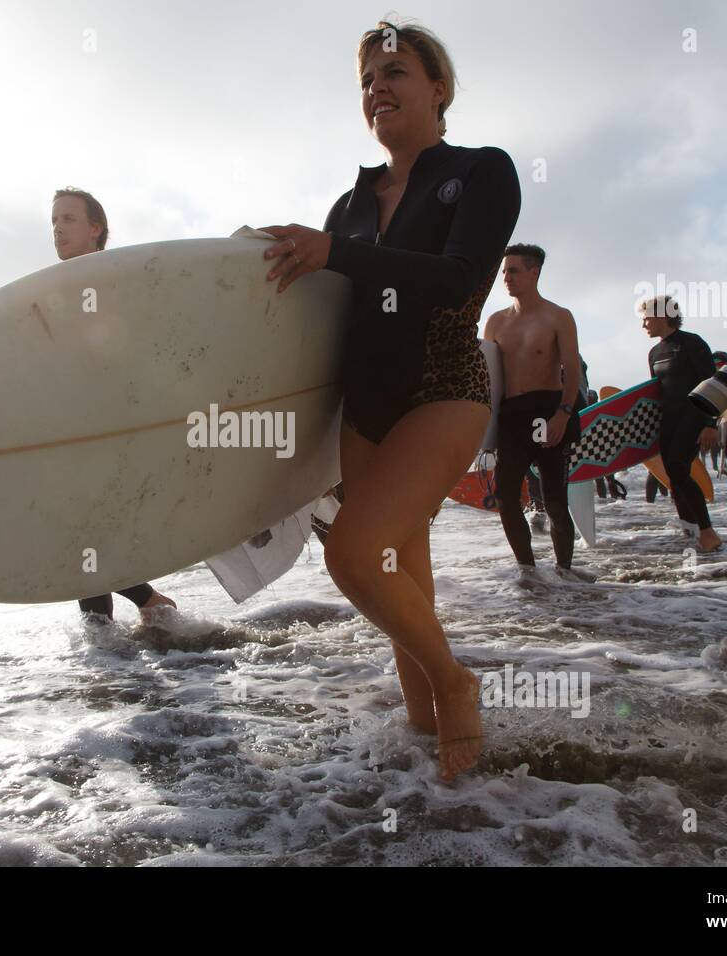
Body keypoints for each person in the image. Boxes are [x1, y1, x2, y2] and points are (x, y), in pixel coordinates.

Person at [259, 20, 519, 777]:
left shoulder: (479, 171)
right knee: (405, 568)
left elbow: (460, 275)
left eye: (396, 71)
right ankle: (427, 735)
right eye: (368, 79)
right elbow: (327, 316)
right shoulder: (351, 203)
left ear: (438, 88)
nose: (379, 88)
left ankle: (455, 684)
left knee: (353, 556)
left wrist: (338, 252)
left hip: (443, 386)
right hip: (363, 406)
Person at [51, 188, 177, 624]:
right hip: (70, 430)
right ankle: (114, 637)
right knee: (83, 534)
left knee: (80, 533)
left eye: (68, 219)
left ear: (95, 228)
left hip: (104, 428)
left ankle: (132, 615)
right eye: (54, 221)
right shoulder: (56, 287)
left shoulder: (109, 281)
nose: (57, 229)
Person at [483, 244, 584, 577]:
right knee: (506, 496)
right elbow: (488, 378)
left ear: (534, 272)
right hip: (512, 413)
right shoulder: (496, 322)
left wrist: (563, 414)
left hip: (548, 409)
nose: (506, 278)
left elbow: (573, 368)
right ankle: (527, 570)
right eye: (503, 271)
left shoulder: (558, 316)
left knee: (554, 499)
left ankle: (565, 571)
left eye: (513, 270)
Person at [641, 295, 723, 552]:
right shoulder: (655, 352)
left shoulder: (692, 344)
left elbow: (714, 385)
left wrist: (711, 423)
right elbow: (656, 394)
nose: (644, 324)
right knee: (674, 475)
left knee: (678, 469)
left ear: (663, 316)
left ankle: (708, 532)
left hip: (694, 418)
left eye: (646, 318)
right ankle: (690, 529)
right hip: (669, 421)